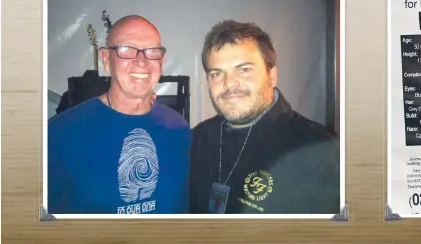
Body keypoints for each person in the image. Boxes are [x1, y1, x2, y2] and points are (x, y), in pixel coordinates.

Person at [189, 20, 340, 214]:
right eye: (217, 73)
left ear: (272, 75)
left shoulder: (321, 152)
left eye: (244, 69)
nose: (229, 84)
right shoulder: (198, 138)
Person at [48, 16, 191, 214]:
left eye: (151, 51)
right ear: (106, 59)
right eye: (127, 49)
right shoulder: (60, 133)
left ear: (162, 61)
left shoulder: (180, 129)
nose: (141, 62)